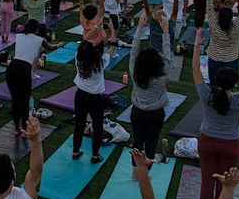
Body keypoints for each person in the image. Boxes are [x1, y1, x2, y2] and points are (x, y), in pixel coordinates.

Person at [190, 28, 239, 199]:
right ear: (234, 83)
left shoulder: (206, 95)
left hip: (207, 142)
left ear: (217, 80)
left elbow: (195, 69)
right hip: (230, 145)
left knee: (207, 182)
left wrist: (197, 44)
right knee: (223, 184)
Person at [129, 11, 173, 166]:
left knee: (138, 141)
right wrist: (166, 30)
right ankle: (144, 174)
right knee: (150, 144)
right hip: (155, 114)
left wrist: (140, 27)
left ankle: (137, 172)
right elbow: (167, 53)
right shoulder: (162, 73)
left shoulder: (135, 71)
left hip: (137, 112)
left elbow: (134, 51)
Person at [72, 19, 119, 163]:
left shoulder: (78, 57)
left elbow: (85, 40)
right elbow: (113, 48)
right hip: (94, 99)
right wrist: (111, 28)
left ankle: (75, 151)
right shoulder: (100, 62)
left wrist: (97, 26)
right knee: (97, 126)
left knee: (79, 124)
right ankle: (94, 155)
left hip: (80, 95)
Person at [5, 19, 52, 135]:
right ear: (36, 29)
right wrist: (59, 44)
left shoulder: (19, 36)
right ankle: (25, 129)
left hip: (11, 68)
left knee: (15, 99)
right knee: (25, 100)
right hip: (24, 69)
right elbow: (50, 47)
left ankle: (17, 128)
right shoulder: (39, 39)